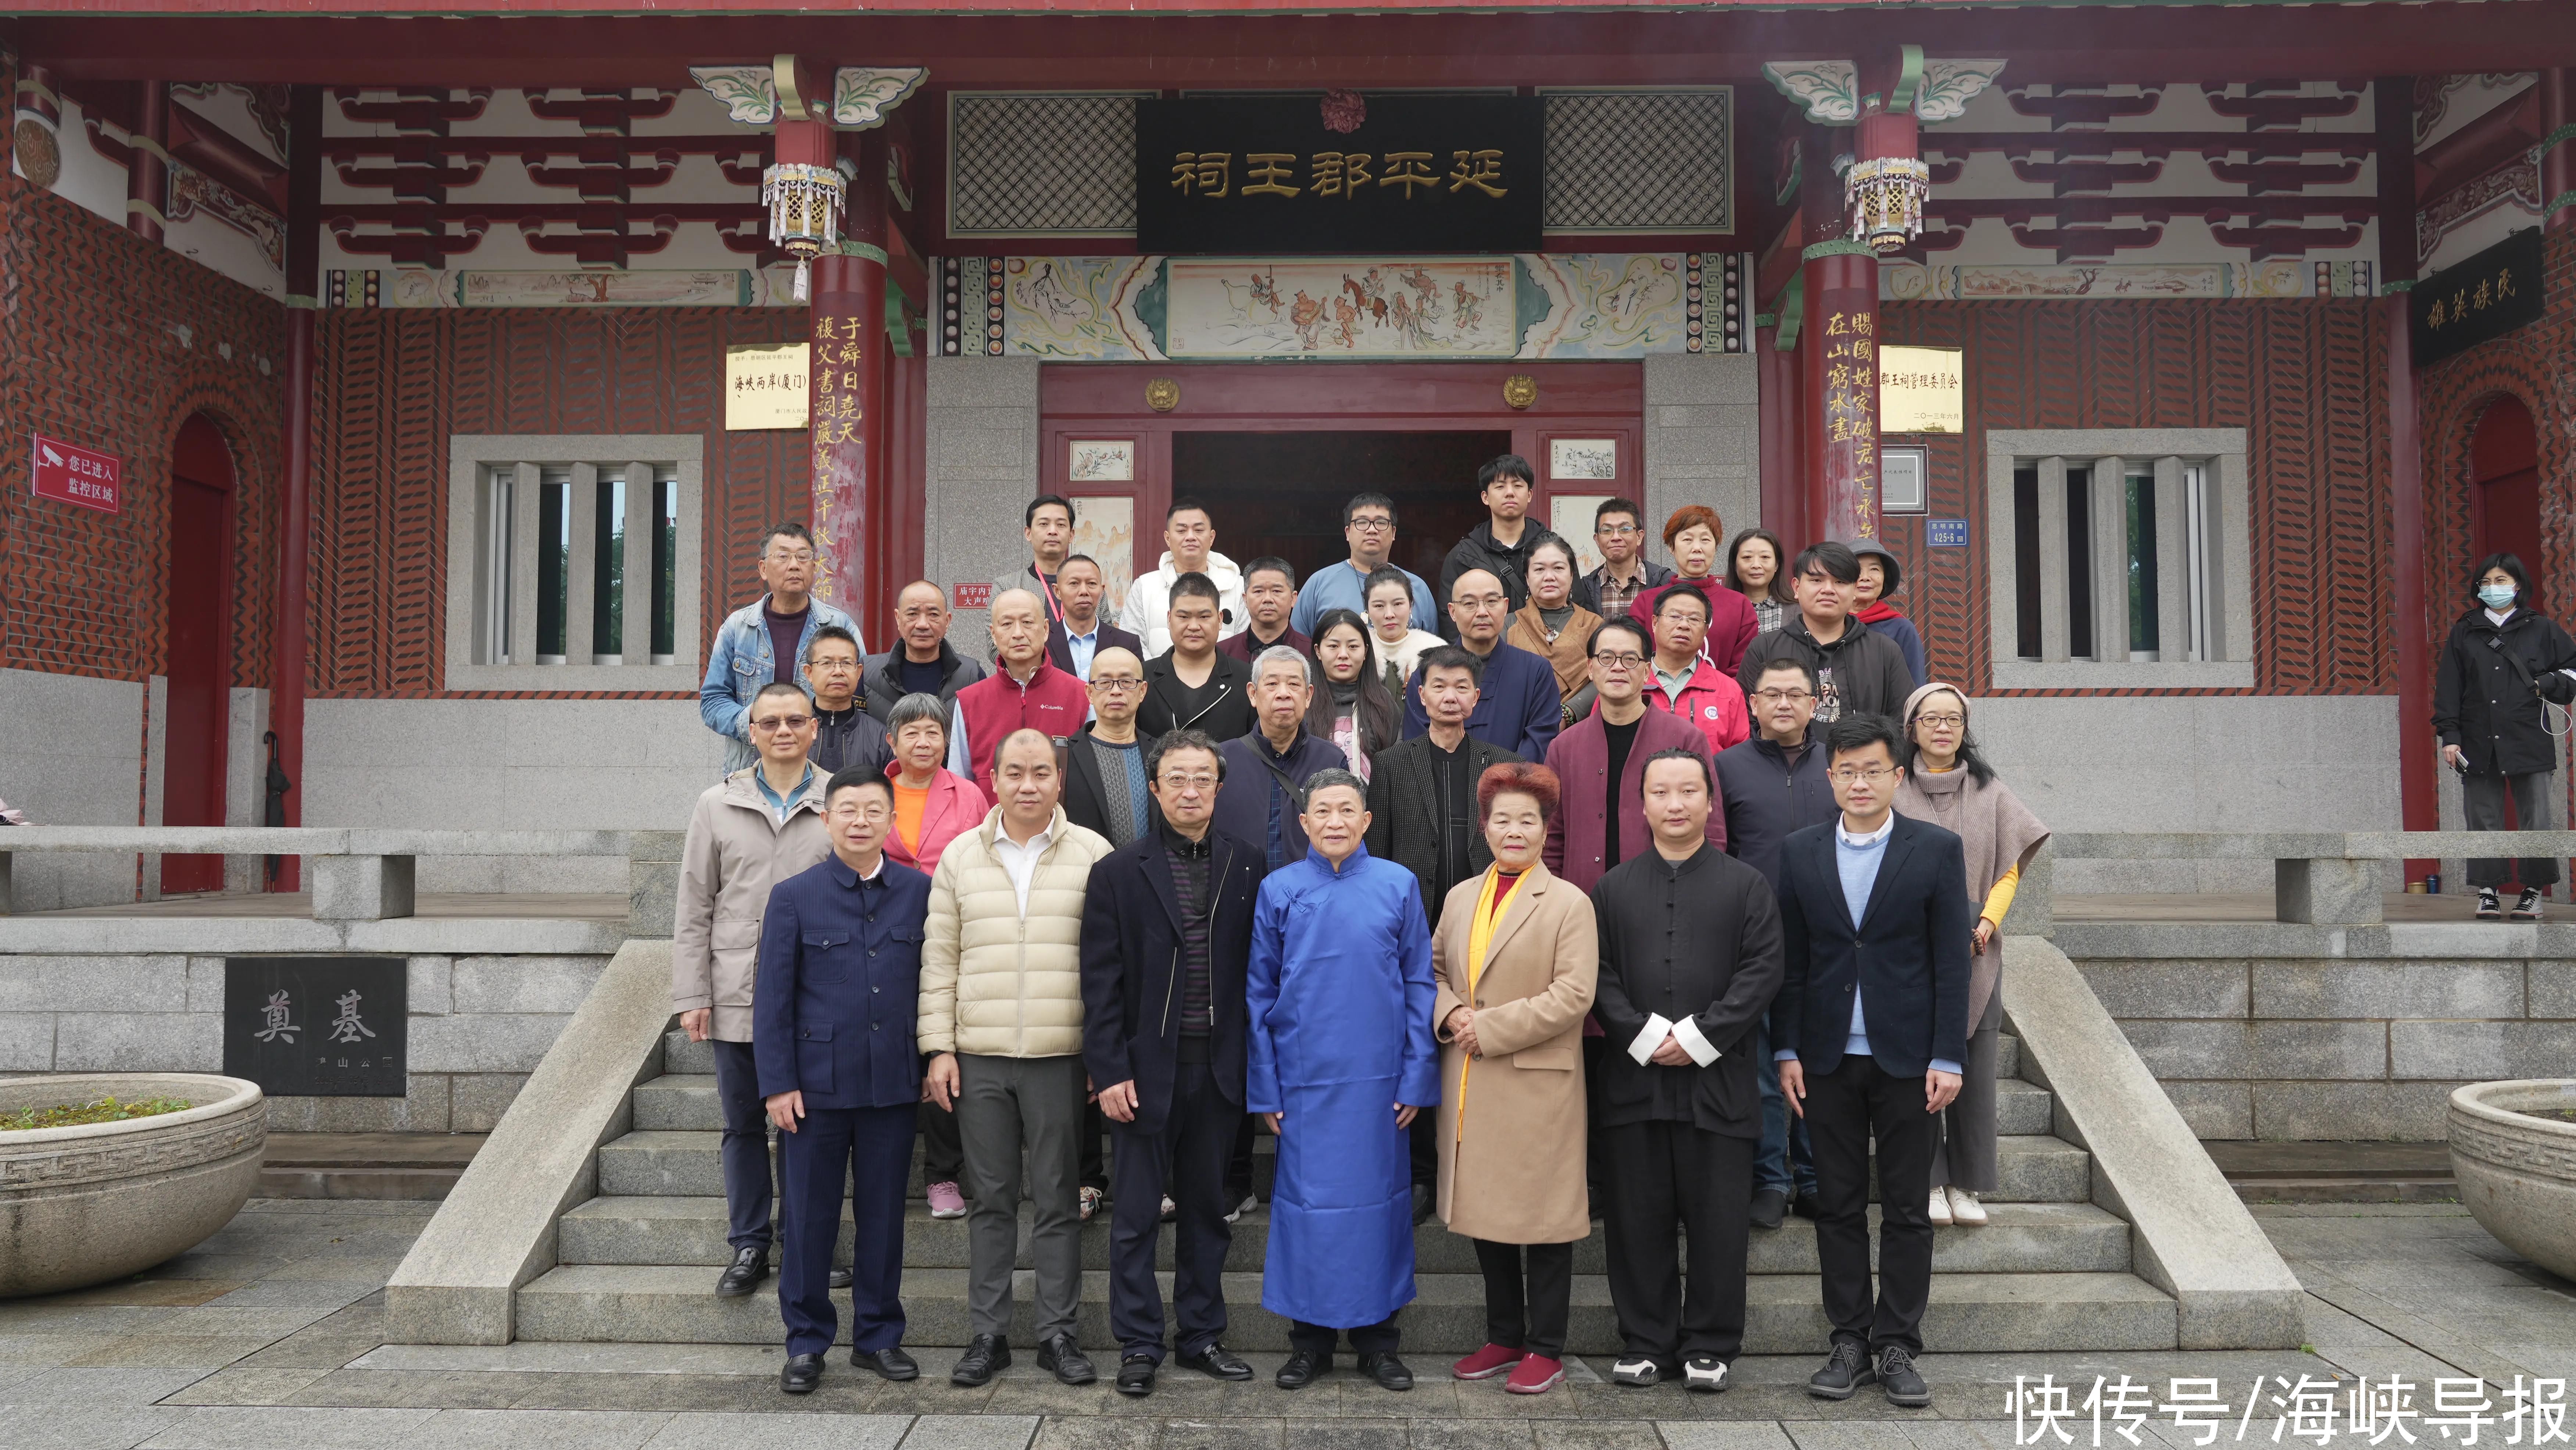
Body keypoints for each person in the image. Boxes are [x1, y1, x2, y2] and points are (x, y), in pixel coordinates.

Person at [1774, 714, 1973, 1409]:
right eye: (1846, 771)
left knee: (1907, 1208)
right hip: (1825, 1057)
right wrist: (1787, 1047)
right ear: (1830, 777)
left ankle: (1897, 1342)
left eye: (1872, 770)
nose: (1859, 783)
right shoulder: (1798, 852)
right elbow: (1792, 963)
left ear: (1897, 775)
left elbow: (1952, 962)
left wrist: (1949, 1052)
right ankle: (1848, 1339)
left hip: (1908, 1059)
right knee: (1835, 1204)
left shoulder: (1935, 850)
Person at [919, 729, 1115, 1388]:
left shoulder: (1093, 853)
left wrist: (1103, 1052)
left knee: (1060, 1199)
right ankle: (988, 1333)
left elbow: (1112, 965)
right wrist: (938, 1048)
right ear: (993, 777)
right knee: (992, 1197)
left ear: (1059, 779)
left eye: (1040, 772)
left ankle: (1058, 1333)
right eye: (1014, 771)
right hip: (979, 1056)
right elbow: (939, 957)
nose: (1027, 784)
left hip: (1062, 1055)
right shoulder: (960, 856)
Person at [1589, 747, 1783, 1393]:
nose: (1674, 804)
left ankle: (1710, 1341)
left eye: (1687, 791)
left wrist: (1699, 1035)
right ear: (1640, 805)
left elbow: (1762, 970)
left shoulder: (1746, 885)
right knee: (1634, 1216)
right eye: (1661, 792)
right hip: (1634, 1083)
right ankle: (1645, 1339)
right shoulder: (1612, 888)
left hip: (1719, 1082)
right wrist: (1646, 1036)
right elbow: (1596, 973)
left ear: (1709, 801)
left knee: (1719, 1218)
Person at [1079, 728, 1266, 1398]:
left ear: (1220, 786)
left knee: (1206, 1213)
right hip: (1141, 1071)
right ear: (1154, 789)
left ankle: (1201, 1335)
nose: (1191, 791)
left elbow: (1261, 974)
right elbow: (1098, 982)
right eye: (1176, 780)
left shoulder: (1249, 864)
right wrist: (1108, 1069)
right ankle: (1137, 1342)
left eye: (1202, 779)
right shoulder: (1116, 872)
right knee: (1131, 1216)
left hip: (1218, 1070)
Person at [1249, 768, 1440, 1392]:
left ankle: (1379, 1342)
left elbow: (1419, 982)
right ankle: (1308, 1342)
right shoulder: (1280, 888)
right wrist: (1266, 1087)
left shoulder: (1396, 883)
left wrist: (1416, 1075)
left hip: (1379, 1082)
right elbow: (1259, 991)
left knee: (1379, 1208)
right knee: (1308, 1212)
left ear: (1365, 820)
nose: (1334, 820)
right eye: (1321, 810)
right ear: (1303, 822)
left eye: (1346, 809)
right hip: (1304, 1082)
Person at [758, 769, 934, 1393]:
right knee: (808, 1219)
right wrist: (777, 1083)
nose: (860, 820)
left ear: (891, 821)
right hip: (814, 1089)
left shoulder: (918, 890)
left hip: (891, 1084)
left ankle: (878, 1336)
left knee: (884, 1217)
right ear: (827, 820)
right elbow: (772, 997)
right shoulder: (794, 895)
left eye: (873, 811)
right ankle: (806, 1342)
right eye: (848, 810)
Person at [1433, 762, 1597, 1397]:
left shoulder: (1568, 902)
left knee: (1544, 1214)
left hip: (1535, 1080)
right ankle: (1503, 1333)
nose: (1513, 829)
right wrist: (1450, 1014)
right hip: (1472, 1075)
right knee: (1484, 1208)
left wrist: (1489, 1027)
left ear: (1544, 828)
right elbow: (1430, 969)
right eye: (1501, 818)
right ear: (1484, 826)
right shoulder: (1459, 896)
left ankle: (1546, 1345)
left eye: (1526, 819)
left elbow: (1574, 994)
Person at [673, 681, 833, 1299]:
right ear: (751, 731)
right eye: (770, 722)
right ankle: (749, 1241)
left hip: (815, 994)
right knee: (743, 1122)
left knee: (806, 1123)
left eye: (796, 719)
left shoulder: (836, 799)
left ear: (814, 727)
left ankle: (803, 1238)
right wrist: (692, 992)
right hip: (736, 989)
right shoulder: (716, 803)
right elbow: (694, 904)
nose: (783, 730)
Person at [1894, 683, 2049, 1229]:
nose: (1943, 728)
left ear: (1965, 727)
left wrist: (1985, 924)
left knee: (1975, 1070)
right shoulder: (1893, 787)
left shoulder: (1992, 791)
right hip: (1906, 948)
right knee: (1916, 1069)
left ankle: (1966, 1184)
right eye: (1931, 718)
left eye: (1953, 719)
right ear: (1910, 726)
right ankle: (1930, 1182)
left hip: (1975, 945)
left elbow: (2009, 871)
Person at [1712, 656, 1836, 1229]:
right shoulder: (1725, 767)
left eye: (1796, 695)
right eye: (1772, 695)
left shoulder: (1839, 763)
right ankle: (1769, 1177)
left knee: (1818, 1062)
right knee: (1760, 1066)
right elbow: (1718, 849)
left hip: (1828, 939)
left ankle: (1814, 1178)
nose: (1783, 704)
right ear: (1752, 704)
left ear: (1816, 703)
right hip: (1751, 939)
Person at [877, 691, 984, 1222]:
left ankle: (943, 1175)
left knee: (944, 1053)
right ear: (892, 739)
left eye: (934, 732)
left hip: (952, 938)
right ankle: (887, 1170)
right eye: (912, 732)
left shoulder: (968, 796)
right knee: (895, 1051)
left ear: (947, 741)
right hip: (883, 939)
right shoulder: (873, 793)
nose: (924, 741)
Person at [2434, 551, 2576, 921]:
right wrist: (2450, 735)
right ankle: (2488, 891)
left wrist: (2549, 682)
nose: (2494, 588)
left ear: (2518, 585)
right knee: (2482, 817)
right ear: (2478, 588)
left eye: (2501, 581)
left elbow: (2573, 671)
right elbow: (2450, 687)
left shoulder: (2542, 629)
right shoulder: (2465, 631)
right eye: (2487, 582)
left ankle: (2533, 892)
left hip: (2528, 736)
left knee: (2536, 818)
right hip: (2478, 740)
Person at [1543, 620, 1724, 895]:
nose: (1617, 667)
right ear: (1590, 669)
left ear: (1646, 671)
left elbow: (1711, 829)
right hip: (1581, 902)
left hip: (1665, 899)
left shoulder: (1686, 738)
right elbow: (1552, 838)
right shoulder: (1564, 747)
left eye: (1630, 659)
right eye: (1606, 658)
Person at [700, 524, 861, 772]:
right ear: (764, 568)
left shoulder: (840, 625)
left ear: (814, 567)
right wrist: (757, 717)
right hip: (750, 771)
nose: (795, 565)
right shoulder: (738, 628)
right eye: (783, 556)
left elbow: (861, 696)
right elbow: (712, 702)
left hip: (821, 770)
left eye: (803, 557)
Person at [1736, 542, 1915, 725]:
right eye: (1817, 580)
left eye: (1840, 582)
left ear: (1854, 590)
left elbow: (1903, 724)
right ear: (1797, 588)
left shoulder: (1884, 651)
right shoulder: (1765, 648)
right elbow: (1746, 720)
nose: (1828, 589)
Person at [945, 588, 1089, 803]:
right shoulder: (969, 701)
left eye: (1028, 623)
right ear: (993, 634)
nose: (1018, 633)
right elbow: (959, 783)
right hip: (990, 830)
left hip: (1061, 830)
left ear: (1046, 629)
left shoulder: (1081, 695)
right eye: (1006, 624)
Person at [1215, 647, 1352, 870]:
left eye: (1294, 684)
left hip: (1310, 896)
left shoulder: (1331, 761)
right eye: (1272, 684)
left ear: (1308, 696)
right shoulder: (1223, 760)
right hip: (1241, 895)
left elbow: (1346, 838)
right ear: (1252, 693)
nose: (1284, 693)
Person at [1401, 569, 1560, 760]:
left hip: (1512, 787)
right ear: (1452, 612)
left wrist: (1501, 785)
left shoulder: (1536, 672)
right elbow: (1418, 750)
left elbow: (1539, 742)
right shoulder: (1427, 675)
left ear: (1505, 606)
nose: (1482, 612)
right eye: (1470, 604)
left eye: (1492, 602)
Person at [1627, 505, 1758, 676]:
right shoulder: (1646, 602)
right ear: (1671, 547)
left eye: (1705, 540)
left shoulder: (1739, 605)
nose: (1697, 548)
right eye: (1688, 540)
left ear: (1716, 546)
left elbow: (1744, 670)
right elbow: (1633, 660)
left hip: (1720, 701)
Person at [1440, 454, 1563, 630]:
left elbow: (1574, 605)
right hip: (1481, 655)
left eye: (1518, 486)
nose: (1510, 493)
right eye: (1500, 487)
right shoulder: (1462, 556)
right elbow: (1449, 619)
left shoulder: (1554, 550)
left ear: (1529, 495)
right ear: (1485, 497)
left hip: (1543, 652)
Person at [1292, 492, 1439, 638]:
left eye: (1381, 523)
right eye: (1362, 522)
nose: (1372, 530)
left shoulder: (1417, 587)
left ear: (1394, 533)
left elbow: (1433, 651)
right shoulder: (1318, 584)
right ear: (1348, 533)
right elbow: (1299, 648)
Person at [1121, 496, 1246, 656]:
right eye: (1181, 531)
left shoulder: (1237, 586)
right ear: (1168, 538)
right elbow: (1132, 645)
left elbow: (1245, 646)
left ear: (1212, 537)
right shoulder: (1145, 587)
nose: (1191, 537)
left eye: (1199, 530)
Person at [1139, 573, 1255, 741]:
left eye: (1204, 617)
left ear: (1220, 619)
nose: (1194, 626)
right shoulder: (1143, 677)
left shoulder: (1247, 679)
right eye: (1184, 617)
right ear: (1169, 619)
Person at [1644, 584, 1752, 757]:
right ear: (1655, 623)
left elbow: (1740, 759)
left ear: (1706, 631)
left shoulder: (1727, 690)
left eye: (1694, 619)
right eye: (1675, 616)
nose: (1684, 625)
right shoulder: (1630, 681)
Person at [1063, 647, 1156, 847]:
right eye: (1104, 683)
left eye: (1127, 682)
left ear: (1142, 691)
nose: (1116, 691)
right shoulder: (1064, 757)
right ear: (1089, 693)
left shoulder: (1162, 754)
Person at [1506, 536, 1603, 727]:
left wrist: (1568, 712)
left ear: (1572, 575)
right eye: (1539, 569)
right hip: (1519, 724)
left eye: (1558, 568)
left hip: (1580, 728)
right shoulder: (1508, 625)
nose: (1549, 577)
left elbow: (1604, 674)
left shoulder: (1595, 625)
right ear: (1527, 577)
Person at [865, 581, 987, 723]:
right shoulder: (868, 676)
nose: (923, 624)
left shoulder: (972, 675)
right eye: (912, 614)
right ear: (898, 619)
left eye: (933, 614)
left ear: (947, 621)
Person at [1306, 609, 1402, 781]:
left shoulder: (1384, 704)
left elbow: (1397, 766)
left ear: (1365, 652)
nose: (1343, 655)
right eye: (1333, 646)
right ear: (1318, 651)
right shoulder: (1304, 703)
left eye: (1353, 647)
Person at [807, 624, 892, 778]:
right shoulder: (789, 731)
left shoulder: (882, 738)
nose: (838, 671)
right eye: (827, 663)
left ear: (859, 672)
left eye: (847, 663)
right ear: (809, 673)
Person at [1573, 497, 1674, 622]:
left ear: (1639, 537)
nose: (1616, 537)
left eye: (1625, 529)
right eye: (1607, 530)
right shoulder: (1585, 590)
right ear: (1597, 540)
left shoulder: (1666, 583)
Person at [1048, 554, 1144, 683]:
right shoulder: (1043, 644)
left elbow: (1138, 693)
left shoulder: (1127, 644)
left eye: (1092, 584)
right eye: (1074, 583)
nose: (1084, 591)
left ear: (1102, 590)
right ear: (1057, 591)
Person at [1850, 542, 1926, 690]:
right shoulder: (1828, 625)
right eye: (1856, 570)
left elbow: (1915, 689)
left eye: (1874, 569)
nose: (1865, 577)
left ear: (1885, 578)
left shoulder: (1902, 629)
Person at [997, 493, 1080, 627]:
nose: (1053, 531)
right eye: (1044, 524)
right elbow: (997, 643)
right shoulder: (1007, 586)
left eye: (1061, 525)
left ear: (1071, 535)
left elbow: (1108, 641)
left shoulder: (1090, 587)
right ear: (1028, 533)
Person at [1366, 567, 1446, 693]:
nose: (1389, 614)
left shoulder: (1436, 651)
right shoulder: (1358, 651)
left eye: (1398, 604)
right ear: (1367, 610)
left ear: (1411, 605)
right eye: (1379, 606)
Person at [1219, 557, 1313, 663]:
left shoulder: (1312, 654)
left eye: (1277, 591)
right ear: (1245, 599)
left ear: (1293, 598)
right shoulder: (1221, 654)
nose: (1268, 599)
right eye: (1259, 591)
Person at [1724, 527, 1795, 636]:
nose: (1756, 565)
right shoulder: (1720, 610)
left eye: (1765, 557)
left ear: (1776, 565)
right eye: (1747, 557)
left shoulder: (1798, 612)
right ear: (1734, 564)